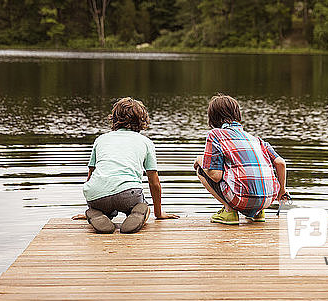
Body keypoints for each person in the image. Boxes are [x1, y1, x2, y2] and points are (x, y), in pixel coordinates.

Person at [79, 97, 178, 234]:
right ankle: (139, 212)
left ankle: (95, 212)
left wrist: (91, 201)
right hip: (128, 194)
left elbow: (91, 176)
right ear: (142, 120)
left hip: (97, 195)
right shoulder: (145, 142)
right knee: (143, 206)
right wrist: (158, 212)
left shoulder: (101, 139)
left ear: (113, 118)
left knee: (103, 202)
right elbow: (154, 182)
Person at [194, 94, 287, 225]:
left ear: (213, 118)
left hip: (240, 199)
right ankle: (258, 213)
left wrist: (200, 160)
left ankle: (229, 211)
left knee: (201, 169)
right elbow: (280, 163)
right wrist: (282, 190)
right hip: (267, 200)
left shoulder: (215, 135)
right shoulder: (257, 140)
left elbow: (215, 176)